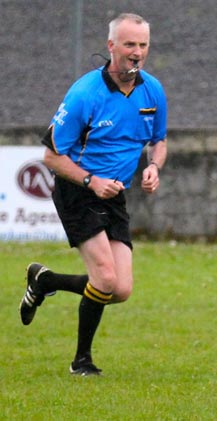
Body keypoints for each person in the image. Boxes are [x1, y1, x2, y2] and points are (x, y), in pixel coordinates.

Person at [19, 13, 167, 376]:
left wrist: (153, 166)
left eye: (143, 45)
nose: (137, 52)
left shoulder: (153, 90)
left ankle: (46, 281)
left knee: (121, 289)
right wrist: (90, 181)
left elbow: (158, 140)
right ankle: (81, 361)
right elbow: (51, 156)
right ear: (111, 46)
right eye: (129, 44)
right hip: (77, 190)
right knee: (104, 278)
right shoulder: (85, 93)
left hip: (114, 195)